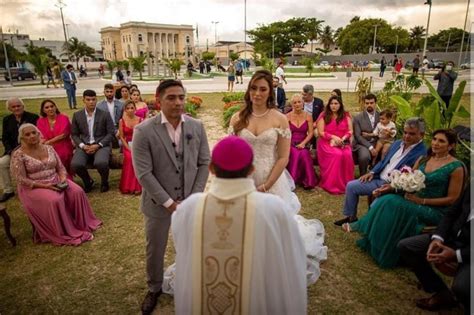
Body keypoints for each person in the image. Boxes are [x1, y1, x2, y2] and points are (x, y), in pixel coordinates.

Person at [171, 136, 307, 314]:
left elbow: (183, 251)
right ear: (252, 169)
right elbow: (291, 262)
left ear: (211, 169)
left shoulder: (189, 208)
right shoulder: (274, 209)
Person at [229, 70, 327, 284]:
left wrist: (265, 186)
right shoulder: (238, 117)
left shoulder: (280, 119)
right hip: (243, 181)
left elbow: (283, 157)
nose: (257, 93)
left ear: (270, 91)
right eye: (253, 88)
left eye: (262, 89)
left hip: (271, 179)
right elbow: (231, 153)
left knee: (269, 225)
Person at [132, 79, 210, 315]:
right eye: (171, 98)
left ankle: (191, 282)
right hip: (158, 206)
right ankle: (154, 288)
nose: (178, 103)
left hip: (189, 202)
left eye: (181, 97)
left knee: (190, 245)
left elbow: (204, 162)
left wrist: (193, 198)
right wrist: (169, 203)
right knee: (155, 248)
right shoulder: (143, 131)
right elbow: (143, 173)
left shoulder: (197, 126)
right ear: (158, 100)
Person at [343, 129, 464, 269]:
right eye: (435, 139)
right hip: (413, 199)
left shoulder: (456, 167)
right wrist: (390, 187)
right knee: (387, 198)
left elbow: (453, 199)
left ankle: (361, 226)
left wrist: (422, 201)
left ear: (451, 146)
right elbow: (407, 180)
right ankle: (377, 242)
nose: (436, 143)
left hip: (435, 210)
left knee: (393, 202)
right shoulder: (424, 159)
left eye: (441, 141)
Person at [11, 124, 102, 245]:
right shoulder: (18, 154)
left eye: (34, 133)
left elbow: (60, 167)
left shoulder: (48, 148)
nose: (32, 136)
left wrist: (63, 179)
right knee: (55, 199)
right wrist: (45, 186)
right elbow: (21, 179)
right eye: (27, 134)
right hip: (34, 186)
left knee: (77, 191)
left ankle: (82, 223)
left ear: (39, 134)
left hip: (56, 179)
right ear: (21, 138)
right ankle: (65, 231)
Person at [334, 117, 427, 226]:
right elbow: (384, 162)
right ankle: (351, 217)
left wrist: (392, 186)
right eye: (405, 132)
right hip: (377, 178)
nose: (406, 136)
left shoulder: (422, 153)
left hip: (392, 186)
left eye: (411, 134)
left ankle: (369, 224)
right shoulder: (397, 143)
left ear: (421, 135)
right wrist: (372, 173)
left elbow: (412, 178)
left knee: (376, 205)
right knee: (351, 186)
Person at [398, 183, 470, 312]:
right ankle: (441, 292)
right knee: (407, 247)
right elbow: (452, 213)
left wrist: (456, 255)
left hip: (469, 251)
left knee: (463, 288)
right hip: (451, 237)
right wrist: (438, 238)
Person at [70, 90, 115, 193]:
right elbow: (74, 134)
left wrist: (98, 145)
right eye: (88, 100)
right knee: (76, 164)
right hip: (84, 145)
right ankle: (88, 181)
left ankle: (104, 182)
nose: (91, 102)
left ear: (96, 99)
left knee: (101, 162)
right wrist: (82, 146)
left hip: (101, 145)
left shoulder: (105, 114)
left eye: (93, 99)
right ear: (83, 100)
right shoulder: (77, 115)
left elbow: (110, 133)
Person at [1, 98, 39, 202]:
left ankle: (32, 186)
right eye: (13, 107)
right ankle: (8, 190)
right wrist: (10, 151)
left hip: (30, 150)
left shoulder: (33, 117)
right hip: (12, 152)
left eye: (18, 106)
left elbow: (37, 137)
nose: (16, 108)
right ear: (9, 108)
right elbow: (5, 138)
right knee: (2, 163)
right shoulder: (7, 120)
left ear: (23, 106)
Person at [316, 96, 354, 194]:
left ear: (340, 105)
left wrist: (344, 138)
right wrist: (333, 137)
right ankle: (332, 184)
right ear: (329, 105)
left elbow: (350, 130)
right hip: (326, 142)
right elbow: (321, 132)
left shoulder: (346, 115)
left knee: (347, 155)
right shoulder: (323, 115)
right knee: (337, 155)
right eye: (332, 103)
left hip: (342, 142)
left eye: (336, 103)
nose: (333, 106)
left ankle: (347, 184)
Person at [286, 94, 317, 189]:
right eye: (294, 102)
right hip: (291, 142)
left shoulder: (308, 116)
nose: (297, 104)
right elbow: (285, 134)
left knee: (304, 154)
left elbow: (311, 133)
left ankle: (308, 181)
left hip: (304, 142)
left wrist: (303, 143)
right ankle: (293, 180)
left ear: (303, 103)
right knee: (295, 153)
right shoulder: (287, 117)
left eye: (299, 102)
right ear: (292, 104)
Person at [36, 99, 74, 177]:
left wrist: (49, 142)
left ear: (55, 107)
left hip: (63, 144)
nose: (50, 109)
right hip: (47, 146)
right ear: (43, 110)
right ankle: (52, 177)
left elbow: (63, 135)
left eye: (52, 106)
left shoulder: (64, 118)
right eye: (47, 107)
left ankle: (65, 177)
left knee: (61, 155)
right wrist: (46, 144)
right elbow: (41, 136)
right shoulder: (40, 121)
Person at [352, 94, 380, 176]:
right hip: (362, 144)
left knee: (386, 152)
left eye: (371, 103)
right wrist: (370, 147)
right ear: (364, 104)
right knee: (364, 156)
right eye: (367, 103)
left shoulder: (381, 116)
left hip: (378, 142)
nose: (369, 105)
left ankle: (378, 175)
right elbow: (358, 136)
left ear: (375, 103)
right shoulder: (358, 118)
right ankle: (363, 176)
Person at [118, 101, 142, 194]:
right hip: (127, 144)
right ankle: (128, 186)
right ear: (125, 110)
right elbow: (121, 136)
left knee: (137, 158)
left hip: (138, 144)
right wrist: (128, 148)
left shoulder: (140, 120)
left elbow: (142, 136)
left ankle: (138, 186)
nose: (130, 110)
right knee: (129, 158)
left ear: (135, 109)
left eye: (132, 108)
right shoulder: (121, 121)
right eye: (128, 108)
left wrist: (136, 147)